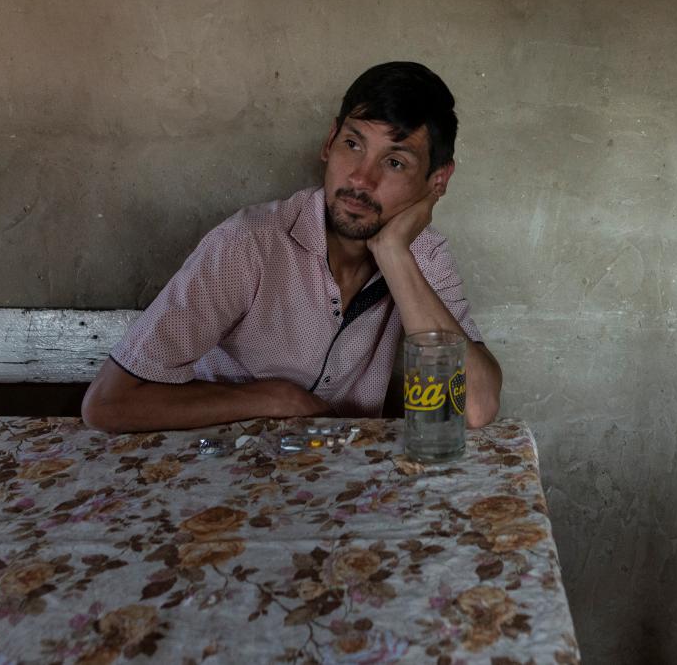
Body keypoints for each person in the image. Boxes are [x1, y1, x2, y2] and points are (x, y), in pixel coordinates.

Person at [81, 62, 502, 433]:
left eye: (394, 162)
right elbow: (108, 403)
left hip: (336, 488)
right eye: (352, 145)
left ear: (437, 181)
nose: (360, 178)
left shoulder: (423, 257)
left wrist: (393, 253)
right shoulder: (249, 243)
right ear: (329, 141)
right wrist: (276, 400)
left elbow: (475, 409)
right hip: (223, 475)